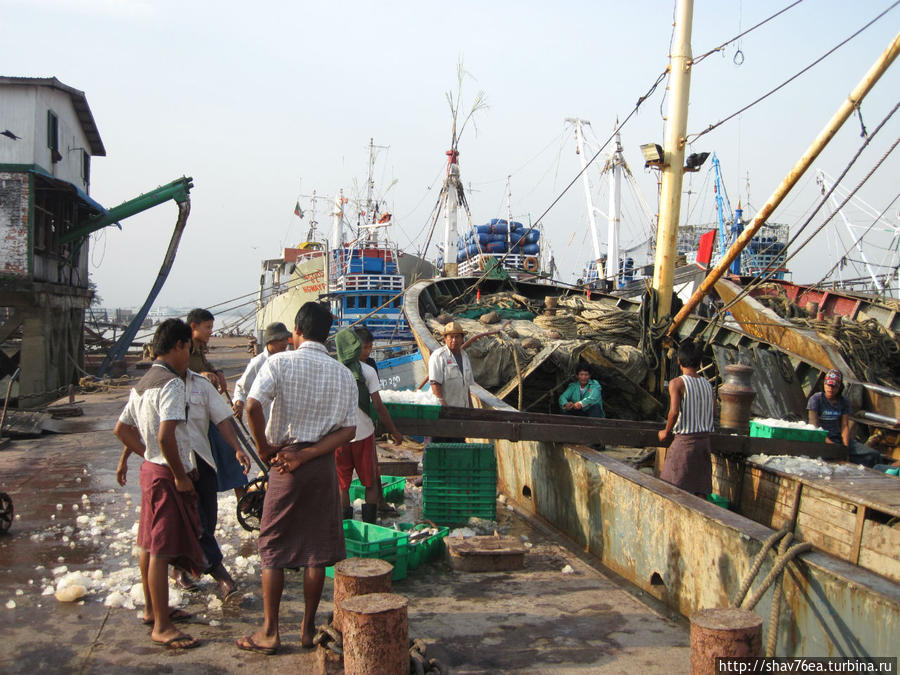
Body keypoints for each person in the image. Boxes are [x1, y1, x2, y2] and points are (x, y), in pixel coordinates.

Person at [236, 302, 357, 655]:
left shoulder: (279, 362)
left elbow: (252, 406)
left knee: (273, 548)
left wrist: (265, 449)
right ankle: (306, 629)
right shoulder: (342, 373)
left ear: (296, 332)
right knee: (316, 552)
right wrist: (308, 454)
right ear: (327, 334)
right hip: (319, 466)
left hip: (284, 465)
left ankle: (270, 631)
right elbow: (348, 430)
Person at [116, 354, 253, 600]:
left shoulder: (199, 384)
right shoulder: (156, 386)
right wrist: (140, 457)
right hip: (174, 468)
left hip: (201, 461)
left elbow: (222, 420)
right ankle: (220, 574)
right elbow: (138, 428)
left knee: (204, 521)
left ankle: (177, 574)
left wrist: (237, 448)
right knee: (188, 524)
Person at [113, 319, 204, 650]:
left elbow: (121, 429)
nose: (188, 358)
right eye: (188, 351)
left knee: (149, 544)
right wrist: (180, 475)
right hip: (167, 474)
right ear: (179, 346)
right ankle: (162, 626)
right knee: (161, 550)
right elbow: (167, 435)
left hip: (152, 469)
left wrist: (145, 454)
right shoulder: (171, 384)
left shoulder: (142, 383)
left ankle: (154, 610)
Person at [334, 326, 404, 524]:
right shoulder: (368, 371)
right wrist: (395, 432)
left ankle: (345, 528)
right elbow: (379, 407)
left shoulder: (334, 370)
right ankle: (369, 526)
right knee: (370, 482)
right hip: (363, 435)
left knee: (342, 485)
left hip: (339, 437)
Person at [657, 340, 715, 497]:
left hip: (685, 443)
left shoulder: (677, 383)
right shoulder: (707, 385)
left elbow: (674, 412)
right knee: (700, 491)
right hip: (704, 443)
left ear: (679, 361)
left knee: (671, 489)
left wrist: (666, 432)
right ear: (699, 362)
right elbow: (713, 412)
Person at [808, 368, 882, 467]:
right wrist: (833, 446)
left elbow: (845, 426)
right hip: (821, 440)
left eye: (834, 386)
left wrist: (845, 447)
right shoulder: (816, 399)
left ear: (839, 388)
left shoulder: (844, 401)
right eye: (828, 385)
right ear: (824, 384)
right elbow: (814, 428)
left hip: (838, 439)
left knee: (873, 455)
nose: (830, 389)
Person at [232, 322, 292, 422]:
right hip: (266, 418)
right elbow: (242, 388)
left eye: (286, 339)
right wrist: (239, 402)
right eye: (281, 340)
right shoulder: (258, 363)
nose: (285, 343)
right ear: (270, 341)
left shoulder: (289, 359)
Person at [428, 321, 475, 409]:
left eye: (457, 337)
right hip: (445, 410)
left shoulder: (465, 356)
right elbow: (434, 383)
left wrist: (471, 407)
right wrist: (444, 407)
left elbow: (466, 386)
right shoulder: (438, 356)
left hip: (463, 409)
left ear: (462, 339)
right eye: (451, 337)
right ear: (445, 339)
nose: (454, 340)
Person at [186, 308, 228, 393]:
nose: (210, 332)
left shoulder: (199, 347)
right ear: (193, 326)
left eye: (211, 328)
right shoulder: (183, 350)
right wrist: (200, 376)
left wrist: (217, 373)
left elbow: (205, 365)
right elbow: (177, 375)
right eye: (208, 327)